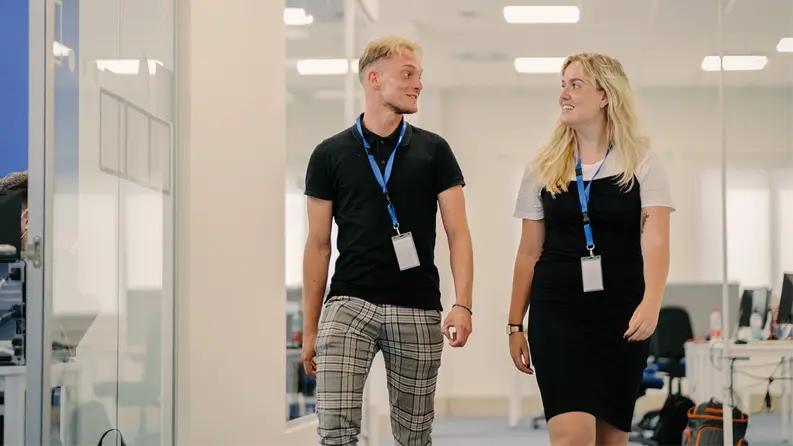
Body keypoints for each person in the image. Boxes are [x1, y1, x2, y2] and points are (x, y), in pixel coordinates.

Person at [302, 36, 474, 445]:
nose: (419, 85)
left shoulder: (435, 151)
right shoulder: (329, 154)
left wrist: (463, 304)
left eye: (420, 75)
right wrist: (311, 329)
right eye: (408, 74)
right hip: (348, 305)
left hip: (417, 307)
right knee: (335, 434)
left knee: (414, 436)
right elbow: (318, 245)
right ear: (374, 78)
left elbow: (458, 234)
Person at [507, 53, 673, 446]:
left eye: (575, 84)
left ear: (604, 95)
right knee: (571, 437)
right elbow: (528, 252)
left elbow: (657, 238)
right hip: (558, 313)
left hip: (621, 316)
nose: (563, 93)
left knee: (609, 441)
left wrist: (652, 302)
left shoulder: (642, 163)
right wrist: (514, 324)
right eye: (562, 85)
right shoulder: (543, 167)